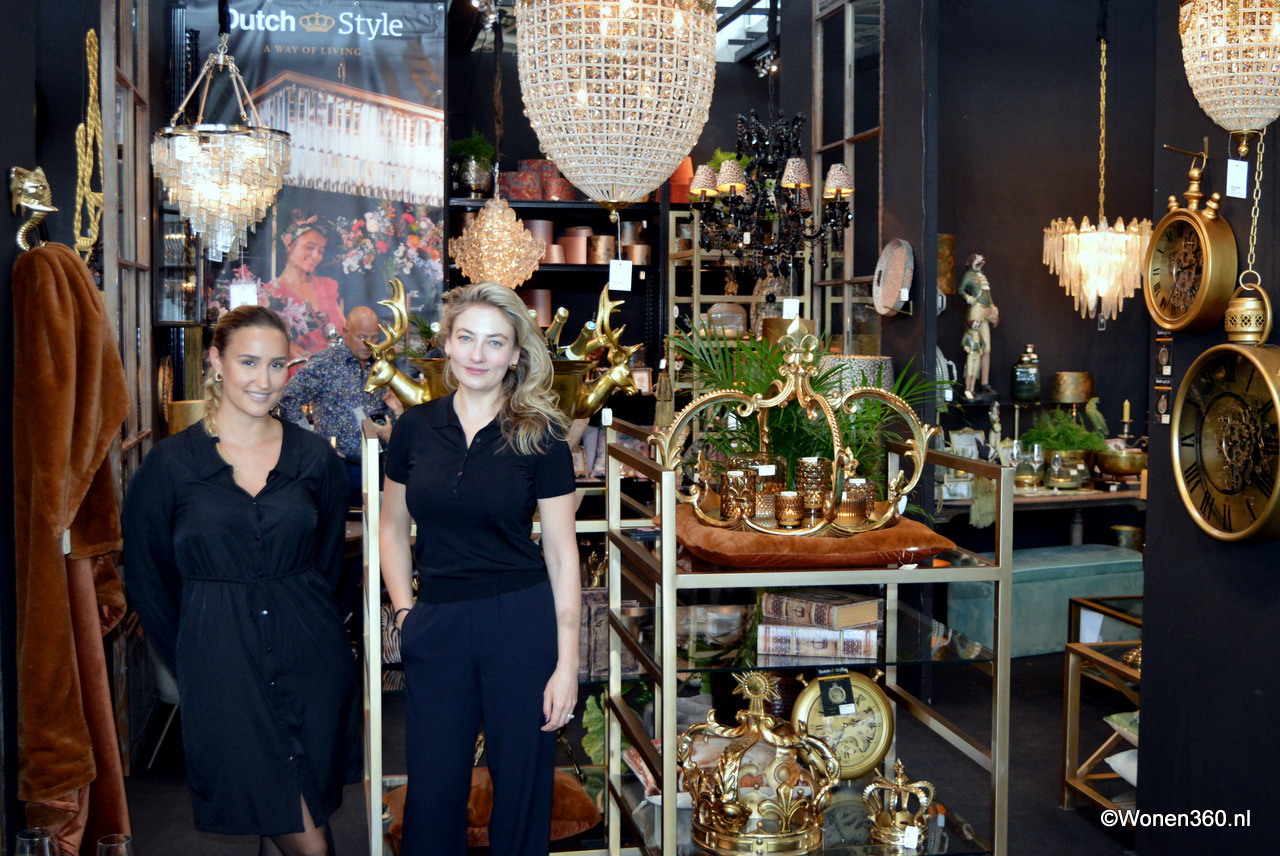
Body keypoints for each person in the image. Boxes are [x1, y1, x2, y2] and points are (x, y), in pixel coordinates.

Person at [122, 305, 359, 856]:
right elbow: (148, 578)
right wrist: (193, 651)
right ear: (216, 361)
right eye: (249, 362)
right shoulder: (170, 465)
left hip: (310, 656)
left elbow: (328, 563)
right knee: (304, 835)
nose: (264, 380)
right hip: (219, 660)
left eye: (277, 365)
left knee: (294, 805)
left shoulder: (314, 458)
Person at [380, 282, 580, 856]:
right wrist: (405, 613)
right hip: (436, 620)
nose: (477, 354)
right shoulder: (415, 428)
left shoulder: (542, 435)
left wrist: (567, 665)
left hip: (520, 622)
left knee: (521, 785)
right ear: (446, 344)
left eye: (495, 343)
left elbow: (561, 553)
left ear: (515, 355)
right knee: (433, 788)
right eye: (466, 338)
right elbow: (391, 527)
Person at [278, 305, 404, 507]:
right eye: (362, 337)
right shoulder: (325, 363)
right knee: (336, 522)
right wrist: (311, 443)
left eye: (374, 337)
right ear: (346, 332)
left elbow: (393, 408)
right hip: (338, 465)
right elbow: (289, 398)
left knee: (377, 523)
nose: (369, 344)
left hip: (380, 465)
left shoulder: (383, 365)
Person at [261, 216, 346, 362]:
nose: (315, 256)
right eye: (310, 247)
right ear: (289, 245)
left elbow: (345, 331)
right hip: (297, 370)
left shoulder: (327, 286)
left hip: (335, 367)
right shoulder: (270, 294)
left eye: (320, 251)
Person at [959, 253, 999, 399]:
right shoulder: (968, 276)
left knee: (986, 348)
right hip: (976, 309)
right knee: (974, 349)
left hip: (985, 310)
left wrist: (992, 307)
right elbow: (961, 290)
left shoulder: (981, 276)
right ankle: (970, 387)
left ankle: (984, 383)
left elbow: (987, 294)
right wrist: (969, 299)